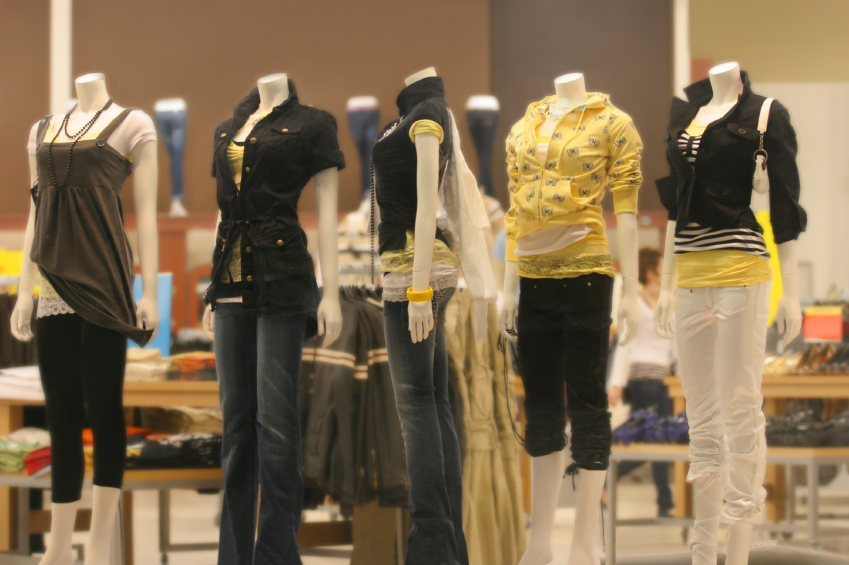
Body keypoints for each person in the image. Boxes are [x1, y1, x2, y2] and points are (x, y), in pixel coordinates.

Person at [608, 247, 675, 517]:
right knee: (653, 440)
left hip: (664, 381)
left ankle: (610, 478)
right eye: (661, 269)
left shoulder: (667, 302)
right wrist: (615, 383)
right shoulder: (635, 302)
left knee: (655, 440)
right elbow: (624, 345)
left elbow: (674, 343)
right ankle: (664, 503)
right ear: (651, 273)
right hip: (642, 381)